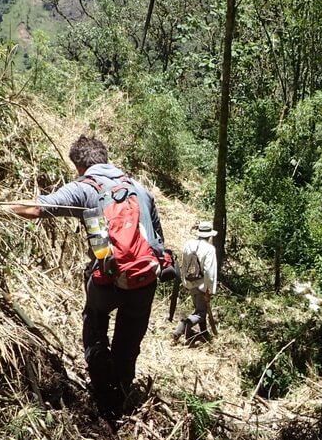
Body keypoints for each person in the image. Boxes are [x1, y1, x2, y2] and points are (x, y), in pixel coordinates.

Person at [13, 136, 168, 418]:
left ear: (79, 165)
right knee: (129, 341)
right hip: (144, 279)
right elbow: (158, 243)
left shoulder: (85, 188)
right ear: (105, 158)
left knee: (95, 322)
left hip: (107, 279)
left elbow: (38, 209)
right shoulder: (141, 190)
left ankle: (100, 387)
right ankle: (120, 395)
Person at [173, 221, 219, 344]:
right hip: (202, 285)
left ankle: (204, 334)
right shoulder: (210, 249)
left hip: (190, 282)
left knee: (199, 309)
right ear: (209, 235)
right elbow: (209, 272)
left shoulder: (188, 244)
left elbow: (184, 264)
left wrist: (184, 281)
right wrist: (209, 290)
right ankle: (182, 327)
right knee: (201, 313)